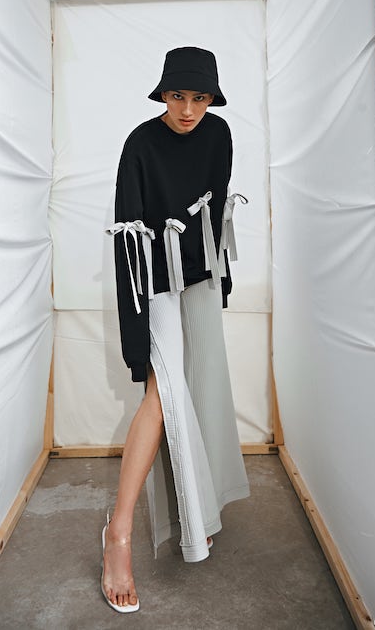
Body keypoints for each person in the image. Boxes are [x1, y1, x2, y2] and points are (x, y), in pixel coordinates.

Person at [103, 46, 250, 613]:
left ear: (212, 99)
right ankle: (118, 535)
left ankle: (197, 513)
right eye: (178, 96)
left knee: (205, 385)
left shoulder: (219, 135)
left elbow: (214, 213)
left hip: (201, 274)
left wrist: (221, 279)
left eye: (200, 98)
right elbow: (129, 241)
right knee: (162, 395)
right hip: (154, 281)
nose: (188, 110)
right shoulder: (140, 144)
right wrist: (136, 327)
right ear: (163, 94)